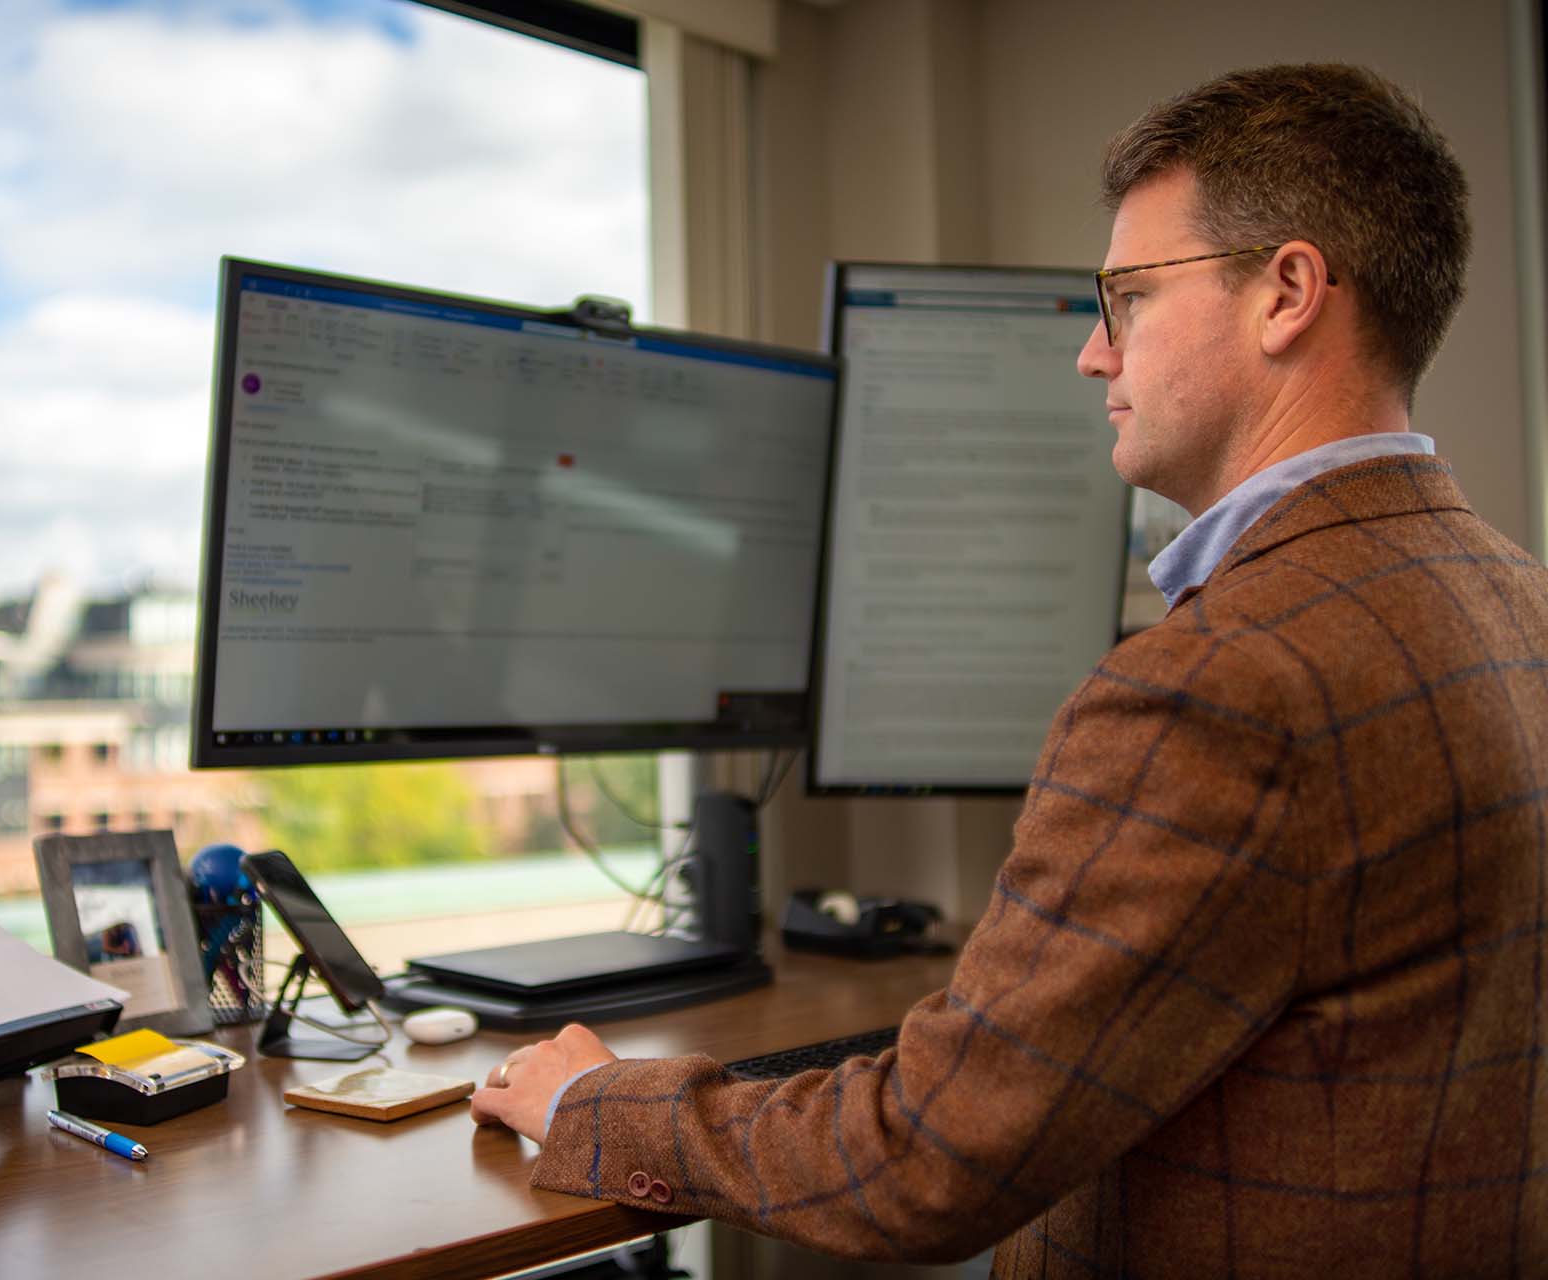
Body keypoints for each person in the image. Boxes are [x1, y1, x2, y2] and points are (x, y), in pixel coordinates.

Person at [470, 63, 1548, 1277]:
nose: (1095, 355)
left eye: (1127, 298)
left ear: (1288, 292)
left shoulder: (1223, 680)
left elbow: (926, 1155)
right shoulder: (1509, 594)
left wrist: (597, 1104)